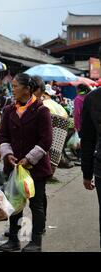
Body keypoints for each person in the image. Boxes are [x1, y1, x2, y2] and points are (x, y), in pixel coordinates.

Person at [0, 73, 53, 252]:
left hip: (35, 167)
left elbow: (46, 140)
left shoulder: (41, 110)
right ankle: (13, 239)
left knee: (36, 204)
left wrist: (29, 158)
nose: (12, 89)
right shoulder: (8, 110)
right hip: (14, 166)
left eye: (15, 86)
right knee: (15, 204)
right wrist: (8, 155)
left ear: (27, 89)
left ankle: (36, 241)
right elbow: (3, 136)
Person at [79, 86, 101, 249]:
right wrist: (87, 172)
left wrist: (87, 173)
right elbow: (88, 140)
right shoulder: (92, 99)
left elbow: (87, 139)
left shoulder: (93, 98)